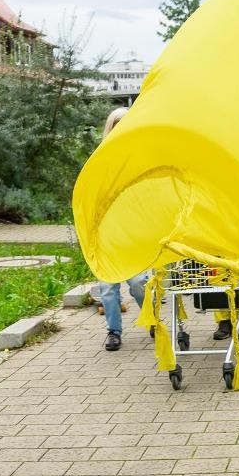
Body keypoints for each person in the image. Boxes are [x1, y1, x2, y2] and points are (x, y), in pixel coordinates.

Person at [96, 108, 152, 351]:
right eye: (116, 124)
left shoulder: (139, 156)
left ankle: (152, 320)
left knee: (139, 283)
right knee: (108, 288)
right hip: (107, 234)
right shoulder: (100, 159)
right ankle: (113, 331)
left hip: (133, 232)